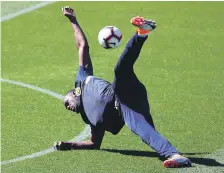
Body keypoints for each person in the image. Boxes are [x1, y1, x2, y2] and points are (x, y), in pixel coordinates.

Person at [54, 6, 192, 168]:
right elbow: (94, 143)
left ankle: (141, 33)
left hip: (122, 90)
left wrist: (73, 21)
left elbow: (82, 46)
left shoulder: (82, 80)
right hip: (127, 109)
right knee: (143, 130)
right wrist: (69, 145)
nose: (68, 107)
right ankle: (175, 155)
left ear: (74, 93)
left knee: (120, 70)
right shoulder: (89, 118)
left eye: (66, 102)